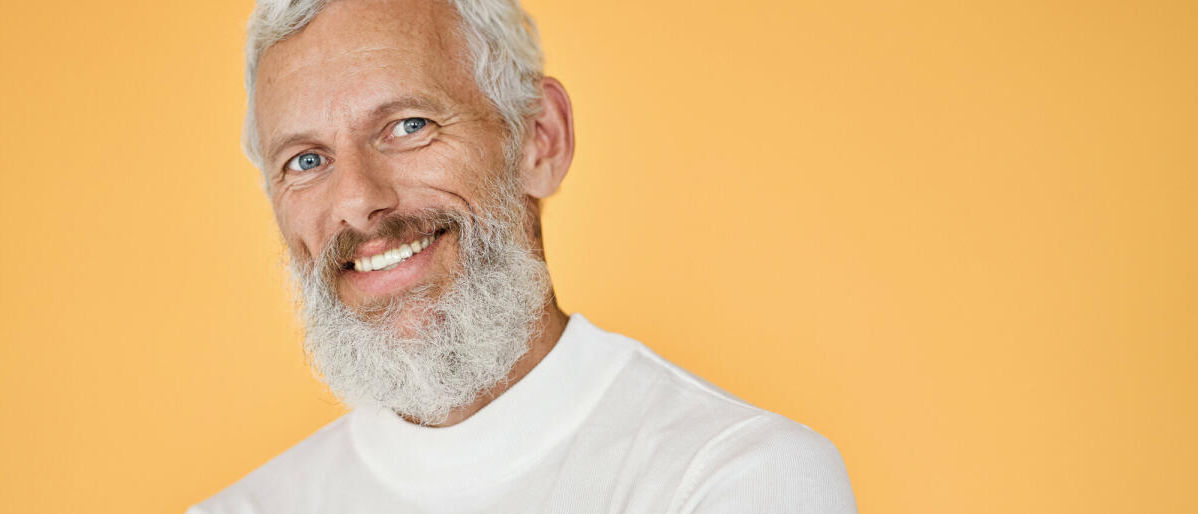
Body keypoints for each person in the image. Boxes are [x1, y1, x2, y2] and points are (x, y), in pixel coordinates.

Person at [189, 0, 857, 511]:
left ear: (540, 139)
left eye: (409, 125)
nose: (359, 202)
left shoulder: (735, 477)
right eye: (306, 161)